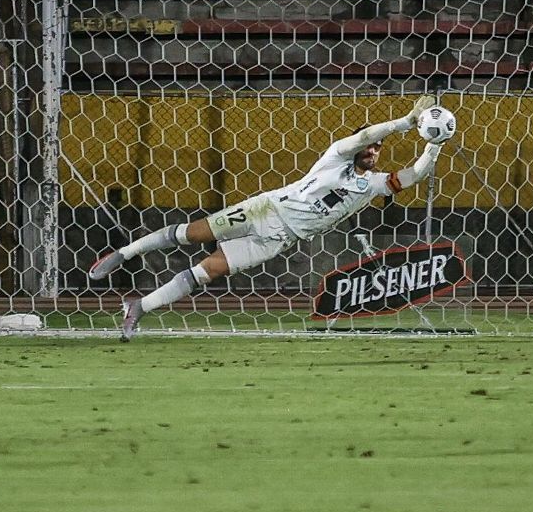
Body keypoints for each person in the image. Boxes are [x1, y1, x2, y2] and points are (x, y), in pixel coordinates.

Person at [91, 95, 447, 341]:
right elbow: (367, 134)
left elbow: (410, 176)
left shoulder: (371, 184)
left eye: (377, 149)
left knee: (208, 271)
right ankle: (122, 254)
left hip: (280, 239)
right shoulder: (336, 156)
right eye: (368, 146)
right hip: (266, 210)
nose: (372, 150)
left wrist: (435, 143)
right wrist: (406, 122)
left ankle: (139, 307)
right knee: (190, 234)